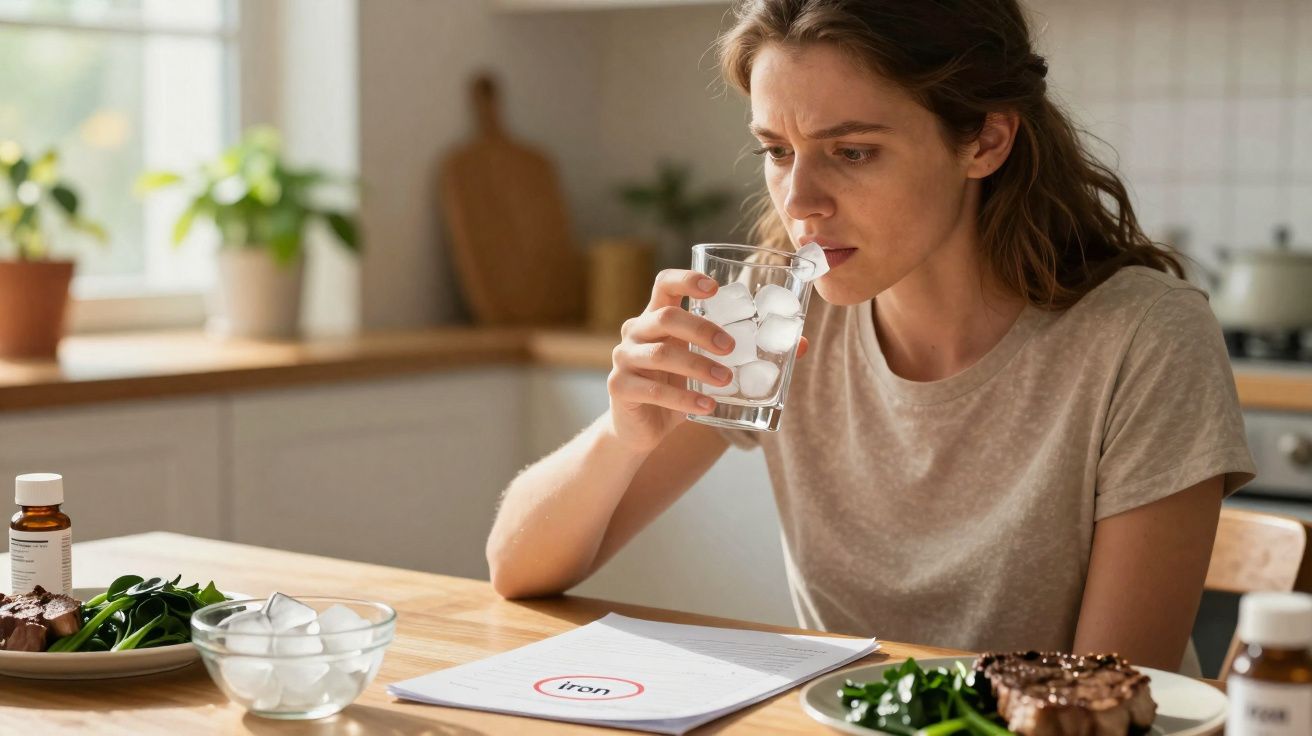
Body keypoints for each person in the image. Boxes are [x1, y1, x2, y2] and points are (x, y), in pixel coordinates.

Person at [485, 0, 1255, 673]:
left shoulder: (1143, 338)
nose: (800, 202)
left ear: (985, 141)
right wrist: (622, 435)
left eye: (852, 152)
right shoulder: (776, 317)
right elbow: (517, 570)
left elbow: (1108, 697)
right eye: (777, 151)